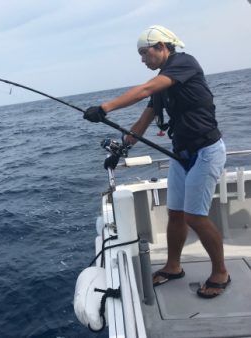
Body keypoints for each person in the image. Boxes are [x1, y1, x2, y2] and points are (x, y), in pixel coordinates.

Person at [83, 25, 230, 298]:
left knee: (195, 216)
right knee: (176, 214)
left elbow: (144, 89)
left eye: (144, 52)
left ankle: (221, 271)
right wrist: (123, 147)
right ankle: (173, 267)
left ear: (162, 46)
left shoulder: (183, 64)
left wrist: (105, 108)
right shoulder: (163, 83)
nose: (142, 59)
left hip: (206, 151)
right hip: (181, 155)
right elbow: (146, 117)